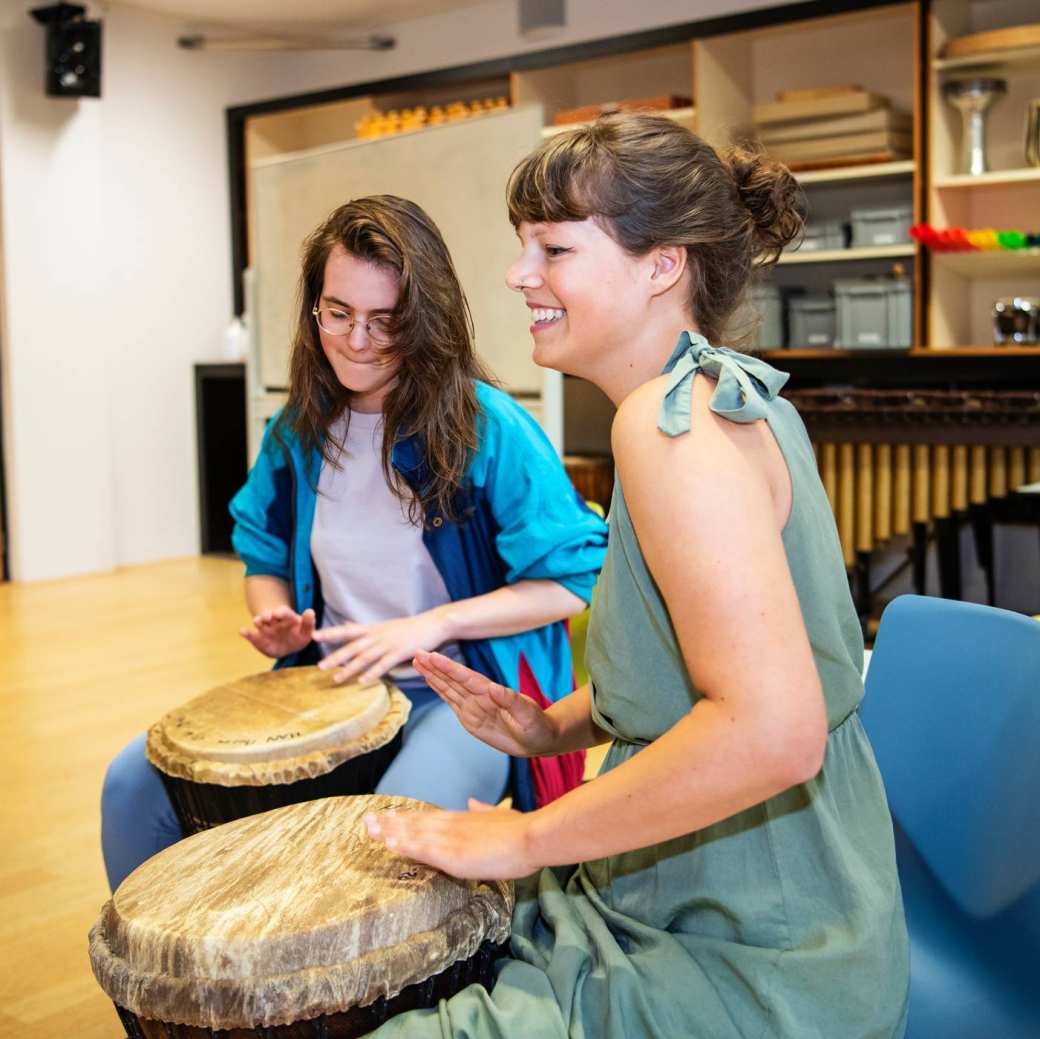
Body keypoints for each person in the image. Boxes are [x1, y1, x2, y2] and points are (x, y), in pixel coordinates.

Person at [362, 116, 910, 1037]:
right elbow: (706, 667)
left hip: (754, 947)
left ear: (664, 265)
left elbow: (775, 732)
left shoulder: (671, 429)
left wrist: (524, 835)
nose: (518, 273)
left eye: (555, 248)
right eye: (522, 245)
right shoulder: (718, 392)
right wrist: (552, 727)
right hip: (741, 892)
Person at [99, 195, 607, 892]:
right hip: (334, 683)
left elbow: (571, 582)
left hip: (455, 696)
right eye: (338, 314)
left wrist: (431, 624)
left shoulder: (490, 428)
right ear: (315, 309)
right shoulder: (301, 428)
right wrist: (277, 617)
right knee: (132, 784)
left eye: (385, 321)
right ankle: (172, 991)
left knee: (379, 845)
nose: (357, 340)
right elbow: (264, 550)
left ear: (423, 318)